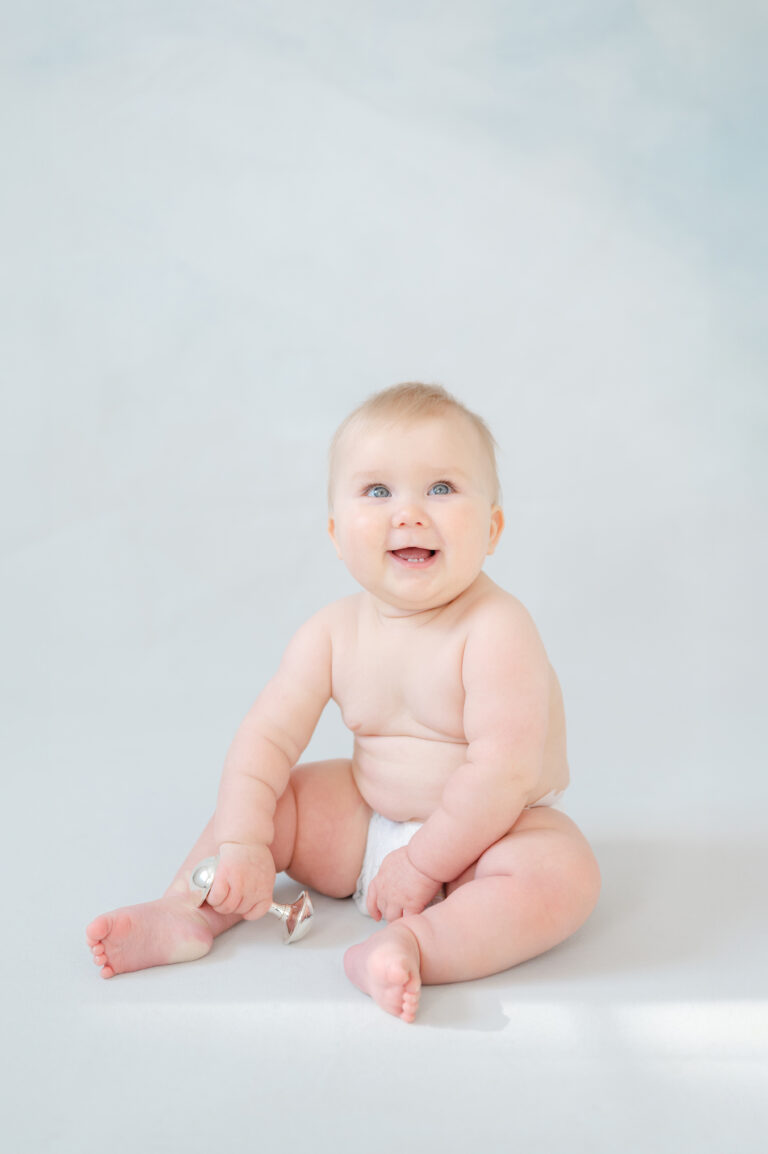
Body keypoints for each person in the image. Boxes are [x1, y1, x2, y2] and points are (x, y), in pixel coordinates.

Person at [87, 382, 601, 1022]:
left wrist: (423, 863)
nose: (408, 514)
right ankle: (185, 911)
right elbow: (264, 741)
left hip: (484, 843)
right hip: (364, 827)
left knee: (562, 871)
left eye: (441, 488)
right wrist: (245, 842)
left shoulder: (498, 630)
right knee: (278, 796)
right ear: (336, 533)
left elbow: (503, 775)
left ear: (492, 527)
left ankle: (416, 945)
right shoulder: (330, 633)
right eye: (378, 491)